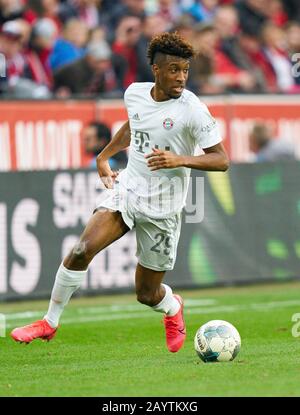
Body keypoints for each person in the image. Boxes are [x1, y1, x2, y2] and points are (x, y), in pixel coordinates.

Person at [11, 32, 229, 353]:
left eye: (184, 70)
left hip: (163, 209)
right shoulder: (135, 94)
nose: (181, 77)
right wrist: (103, 155)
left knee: (146, 294)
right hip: (128, 190)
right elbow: (133, 127)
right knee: (82, 250)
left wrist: (179, 159)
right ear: (156, 69)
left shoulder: (192, 109)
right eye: (173, 70)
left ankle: (172, 307)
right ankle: (49, 322)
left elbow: (221, 159)